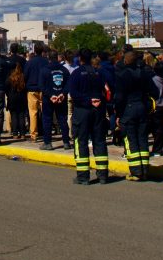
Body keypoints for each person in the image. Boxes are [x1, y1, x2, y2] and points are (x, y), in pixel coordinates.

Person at [68, 49, 109, 185]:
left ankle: (83, 176)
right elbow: (106, 91)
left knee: (81, 142)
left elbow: (73, 93)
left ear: (80, 58)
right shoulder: (99, 73)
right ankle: (103, 175)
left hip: (83, 111)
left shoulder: (77, 73)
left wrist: (88, 101)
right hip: (98, 110)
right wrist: (97, 100)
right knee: (99, 141)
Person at [114, 49, 153, 180]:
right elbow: (154, 91)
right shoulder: (144, 74)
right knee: (142, 139)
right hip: (142, 107)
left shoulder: (122, 75)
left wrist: (118, 114)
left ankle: (136, 171)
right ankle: (145, 170)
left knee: (131, 140)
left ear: (125, 61)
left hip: (128, 109)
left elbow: (119, 97)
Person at [40, 51, 71, 151]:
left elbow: (41, 86)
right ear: (57, 58)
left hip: (48, 99)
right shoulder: (64, 70)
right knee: (62, 120)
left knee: (47, 120)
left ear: (49, 58)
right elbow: (69, 84)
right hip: (61, 98)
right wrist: (63, 94)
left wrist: (51, 95)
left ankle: (48, 143)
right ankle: (66, 142)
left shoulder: (44, 70)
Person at [24, 43, 49, 143]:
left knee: (33, 112)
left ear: (34, 50)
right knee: (45, 112)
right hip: (44, 89)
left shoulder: (30, 62)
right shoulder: (46, 61)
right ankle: (46, 132)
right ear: (43, 51)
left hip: (32, 89)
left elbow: (25, 75)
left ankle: (33, 135)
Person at [6, 63, 28, 139]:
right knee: (22, 116)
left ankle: (15, 133)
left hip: (12, 99)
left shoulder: (10, 78)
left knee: (14, 116)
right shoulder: (23, 77)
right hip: (22, 98)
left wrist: (8, 95)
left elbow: (6, 88)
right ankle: (23, 134)